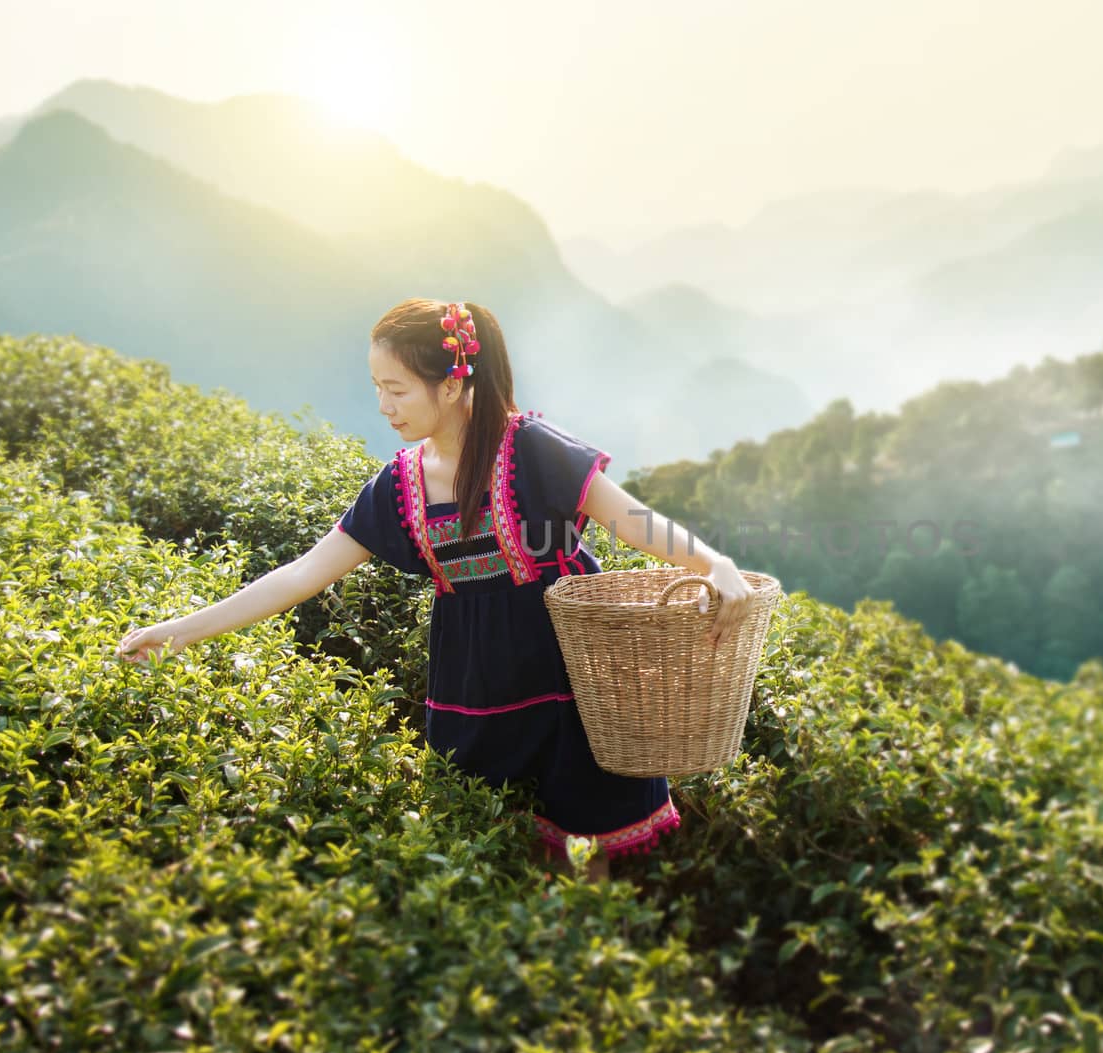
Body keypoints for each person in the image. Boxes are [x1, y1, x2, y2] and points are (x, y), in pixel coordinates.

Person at [116, 299, 753, 884]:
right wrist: (174, 633)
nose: (386, 406)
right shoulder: (398, 485)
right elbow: (299, 576)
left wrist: (713, 562)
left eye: (397, 389)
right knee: (503, 859)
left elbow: (632, 521)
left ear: (451, 385)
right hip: (474, 696)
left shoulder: (530, 448)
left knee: (600, 863)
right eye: (377, 389)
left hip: (573, 687)